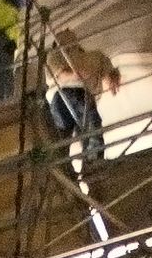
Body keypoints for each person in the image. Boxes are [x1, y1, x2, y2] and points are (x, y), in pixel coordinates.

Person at [45, 32, 121, 162]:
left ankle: (74, 165)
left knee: (67, 134)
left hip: (74, 96)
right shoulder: (55, 55)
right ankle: (92, 163)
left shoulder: (95, 56)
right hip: (67, 94)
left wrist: (112, 77)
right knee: (90, 125)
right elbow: (61, 75)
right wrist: (77, 75)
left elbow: (110, 72)